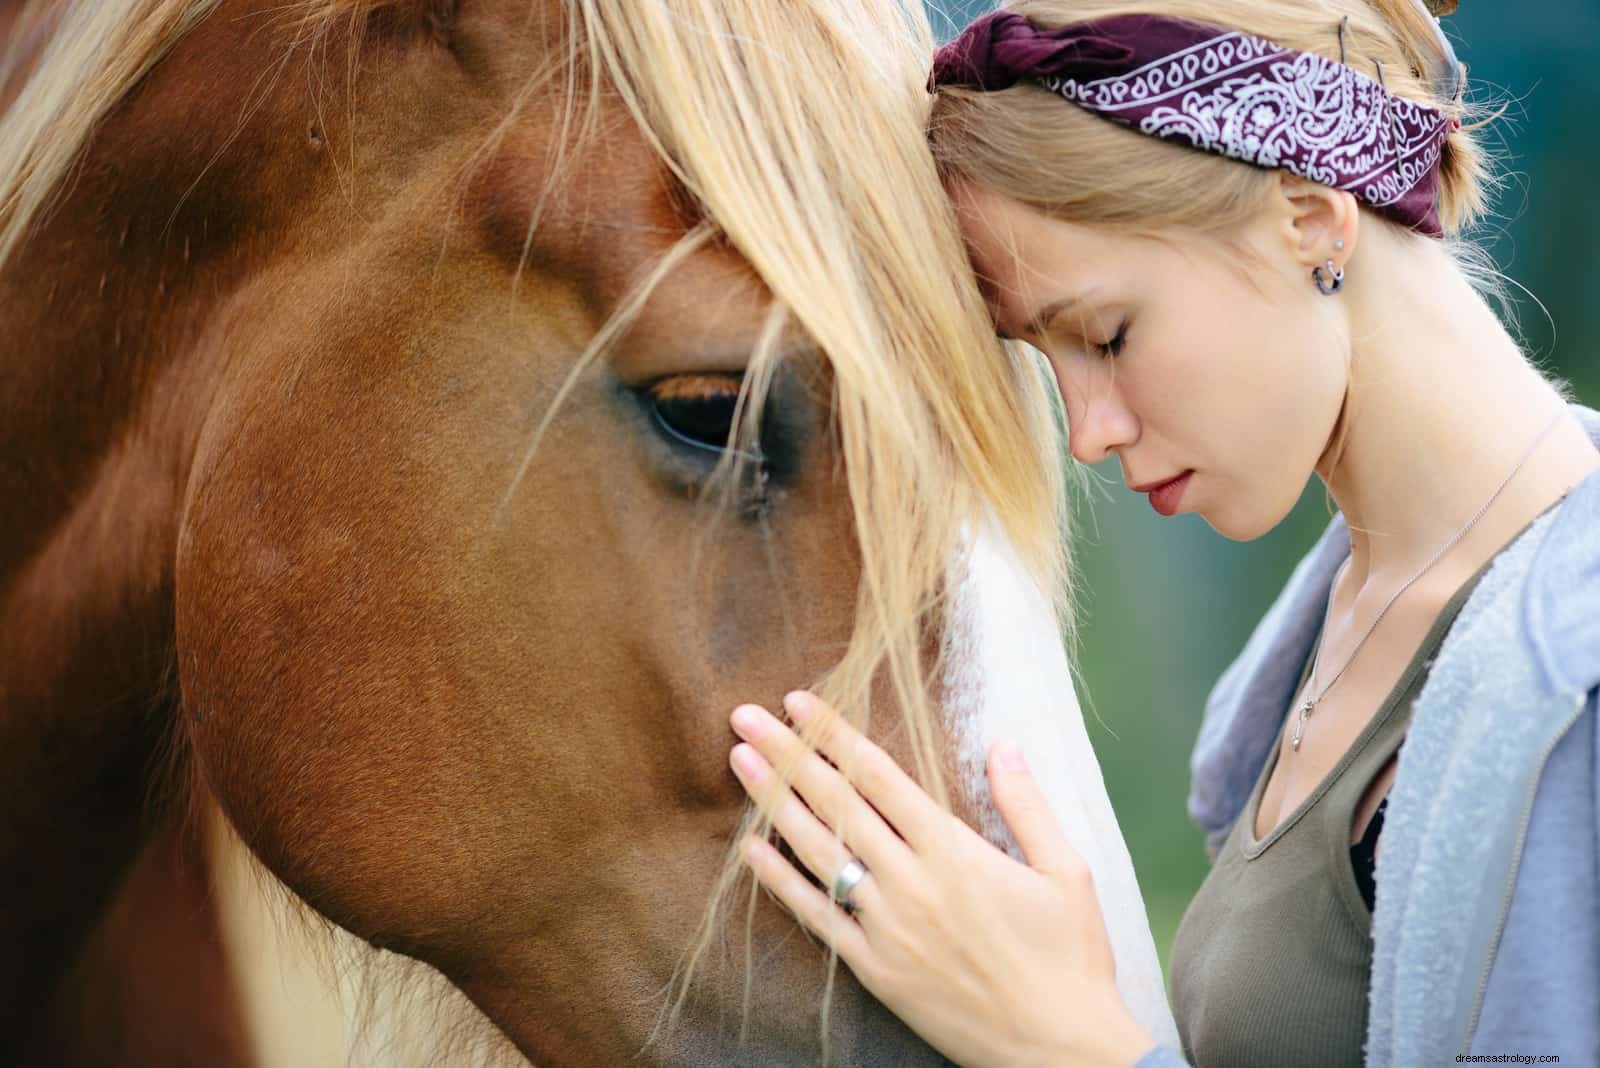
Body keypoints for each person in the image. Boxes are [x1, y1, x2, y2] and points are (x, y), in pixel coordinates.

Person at [722, 1, 1600, 1065]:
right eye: (1052, 363)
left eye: (1106, 333)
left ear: (1313, 217)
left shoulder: (1572, 679)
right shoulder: (1339, 629)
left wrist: (1067, 1046)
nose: (1088, 432)